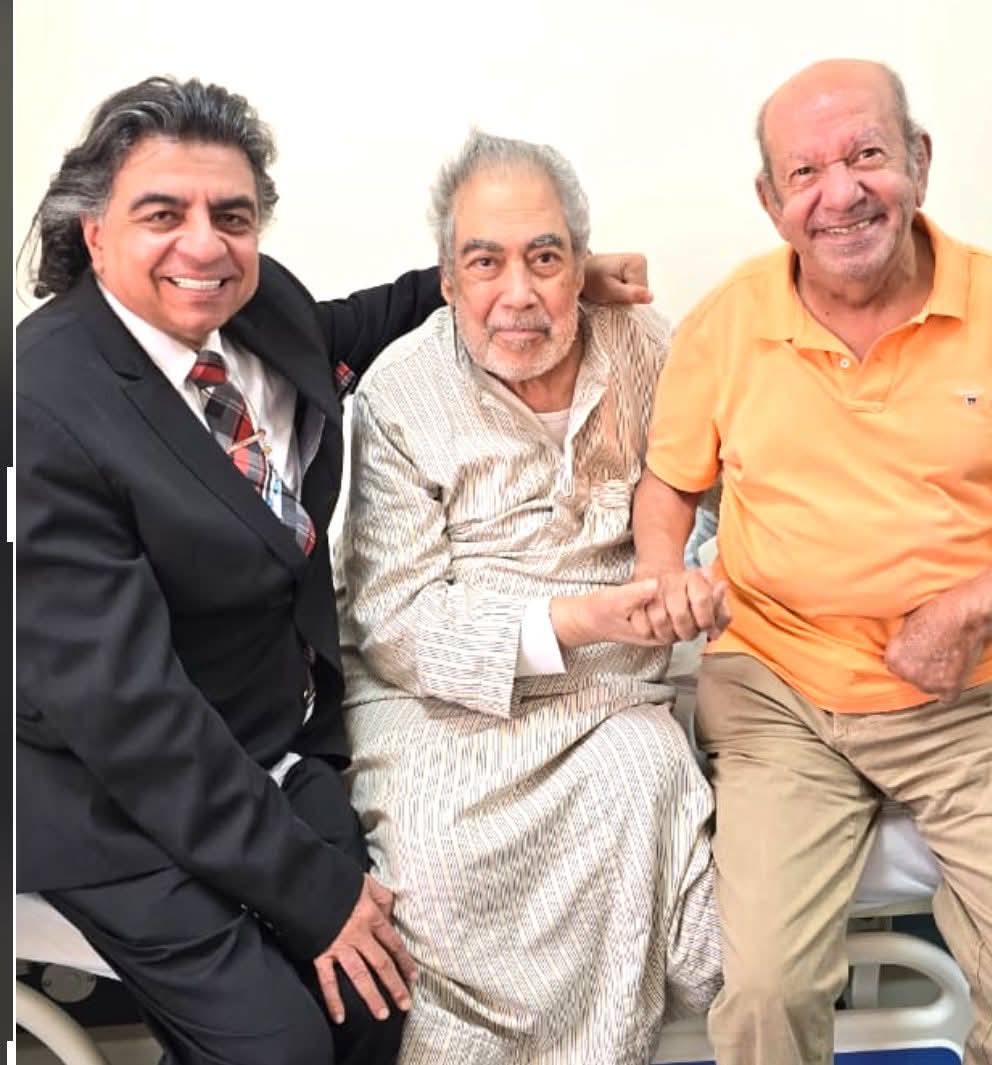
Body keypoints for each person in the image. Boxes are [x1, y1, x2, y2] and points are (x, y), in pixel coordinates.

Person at [15, 75, 651, 1065]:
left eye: (231, 216)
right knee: (281, 1043)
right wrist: (316, 895)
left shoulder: (255, 306)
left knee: (378, 1001)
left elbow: (349, 327)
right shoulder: (42, 402)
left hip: (266, 733)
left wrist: (518, 283)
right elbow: (132, 718)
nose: (203, 245)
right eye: (162, 214)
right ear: (95, 233)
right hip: (107, 787)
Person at [633, 58, 992, 1065]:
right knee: (762, 995)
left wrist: (968, 609)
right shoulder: (728, 321)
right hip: (780, 692)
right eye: (805, 172)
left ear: (918, 160)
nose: (840, 193)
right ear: (771, 201)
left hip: (973, 695)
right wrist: (665, 572)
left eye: (866, 154)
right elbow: (667, 488)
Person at [334, 129, 728, 1064]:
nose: (517, 293)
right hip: (440, 699)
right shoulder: (399, 392)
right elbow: (394, 618)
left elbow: (732, 501)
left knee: (643, 776)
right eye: (485, 262)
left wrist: (696, 582)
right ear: (446, 279)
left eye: (544, 258)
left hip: (612, 691)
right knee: (430, 866)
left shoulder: (647, 351)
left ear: (579, 265)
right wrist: (573, 618)